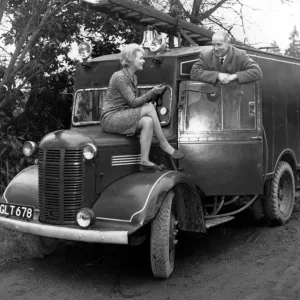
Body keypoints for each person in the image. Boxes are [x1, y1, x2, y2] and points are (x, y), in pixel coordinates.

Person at [100, 43, 184, 172]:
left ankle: (144, 160)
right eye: (140, 58)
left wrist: (153, 94)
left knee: (148, 121)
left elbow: (132, 103)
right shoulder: (119, 77)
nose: (144, 60)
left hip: (122, 114)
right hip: (110, 118)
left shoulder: (132, 77)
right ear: (130, 60)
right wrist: (152, 92)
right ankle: (164, 144)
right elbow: (133, 102)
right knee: (149, 107)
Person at [190, 31, 263, 84]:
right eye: (213, 45)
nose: (215, 48)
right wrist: (217, 75)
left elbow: (257, 72)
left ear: (228, 43)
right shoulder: (206, 56)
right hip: (211, 99)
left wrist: (235, 76)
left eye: (219, 45)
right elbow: (194, 73)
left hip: (234, 99)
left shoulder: (240, 55)